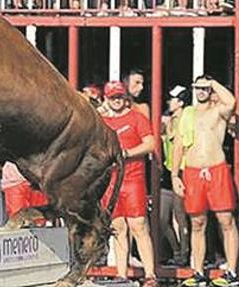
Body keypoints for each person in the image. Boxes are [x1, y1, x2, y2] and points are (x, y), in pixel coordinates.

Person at [173, 75, 239, 287]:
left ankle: (231, 271)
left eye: (204, 88)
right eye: (198, 88)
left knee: (226, 220)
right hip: (192, 172)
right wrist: (175, 175)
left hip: (216, 169)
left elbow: (231, 102)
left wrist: (213, 84)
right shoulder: (187, 114)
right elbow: (179, 145)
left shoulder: (217, 111)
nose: (201, 91)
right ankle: (198, 271)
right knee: (197, 223)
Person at [99, 81, 157, 287]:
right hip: (111, 180)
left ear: (126, 97)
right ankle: (121, 275)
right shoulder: (101, 120)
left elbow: (151, 143)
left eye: (120, 97)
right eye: (112, 97)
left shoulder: (136, 117)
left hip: (132, 178)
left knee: (138, 225)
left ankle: (150, 275)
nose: (116, 101)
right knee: (118, 227)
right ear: (106, 98)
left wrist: (127, 154)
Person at [161, 85, 191, 267]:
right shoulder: (168, 119)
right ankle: (177, 250)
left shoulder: (188, 119)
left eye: (172, 99)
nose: (168, 102)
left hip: (181, 170)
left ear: (181, 102)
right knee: (162, 218)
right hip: (166, 171)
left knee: (180, 216)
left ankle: (184, 256)